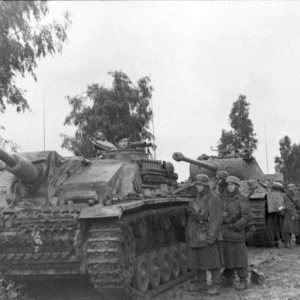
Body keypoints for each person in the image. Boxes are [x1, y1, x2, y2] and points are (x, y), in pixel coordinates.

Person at [187, 174, 223, 295]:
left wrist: (211, 236)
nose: (198, 187)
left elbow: (216, 219)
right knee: (199, 260)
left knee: (213, 261)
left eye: (200, 185)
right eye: (196, 185)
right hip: (196, 233)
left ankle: (216, 284)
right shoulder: (196, 199)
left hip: (207, 233)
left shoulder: (213, 198)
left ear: (206, 185)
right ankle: (201, 282)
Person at [221, 176, 251, 290]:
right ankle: (229, 276)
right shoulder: (224, 199)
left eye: (232, 185)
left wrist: (236, 226)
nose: (230, 187)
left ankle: (244, 279)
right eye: (228, 185)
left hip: (236, 232)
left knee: (240, 257)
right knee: (228, 255)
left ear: (237, 186)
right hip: (226, 232)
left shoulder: (242, 199)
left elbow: (246, 217)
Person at [282, 183, 300, 248]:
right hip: (289, 215)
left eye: (293, 190)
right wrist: (292, 215)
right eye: (291, 190)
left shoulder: (294, 196)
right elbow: (288, 207)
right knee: (288, 229)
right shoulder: (286, 197)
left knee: (294, 228)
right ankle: (287, 243)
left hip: (294, 213)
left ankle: (296, 241)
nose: (292, 191)